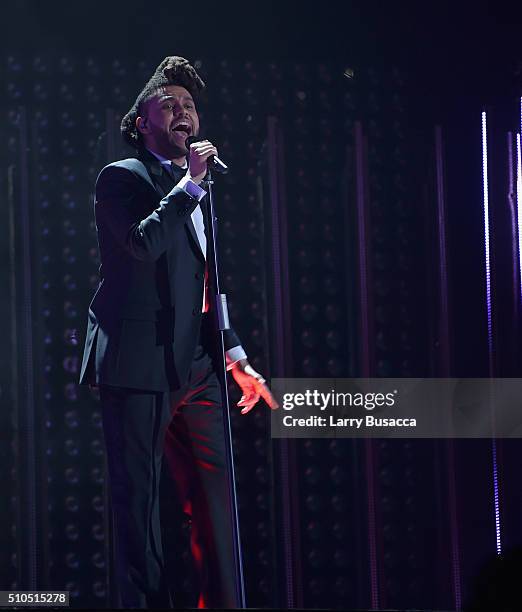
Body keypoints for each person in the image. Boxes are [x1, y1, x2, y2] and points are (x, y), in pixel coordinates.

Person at [79, 56, 277, 609]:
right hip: (138, 361)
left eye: (189, 104)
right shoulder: (122, 178)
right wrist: (189, 185)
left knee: (216, 504)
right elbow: (141, 247)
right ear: (140, 122)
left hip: (199, 364)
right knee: (139, 504)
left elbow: (210, 275)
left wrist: (234, 352)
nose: (182, 109)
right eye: (168, 103)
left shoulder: (197, 187)